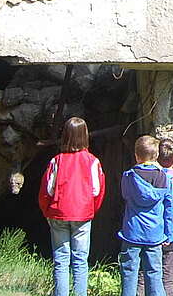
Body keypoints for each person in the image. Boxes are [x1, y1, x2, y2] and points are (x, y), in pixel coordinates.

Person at [39, 117, 105, 296]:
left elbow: (47, 190)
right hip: (82, 215)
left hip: (58, 213)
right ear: (85, 136)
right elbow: (97, 191)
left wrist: (47, 212)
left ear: (65, 136)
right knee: (80, 259)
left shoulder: (56, 161)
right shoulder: (93, 161)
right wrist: (91, 211)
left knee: (61, 259)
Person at [118, 135, 173, 296]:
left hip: (132, 231)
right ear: (156, 155)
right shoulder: (165, 178)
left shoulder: (128, 176)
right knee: (154, 273)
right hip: (155, 234)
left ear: (136, 155)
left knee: (129, 272)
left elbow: (126, 196)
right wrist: (168, 234)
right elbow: (169, 208)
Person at [137, 139, 173, 296]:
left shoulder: (150, 175)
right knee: (168, 274)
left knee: (144, 271)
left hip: (151, 231)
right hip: (172, 232)